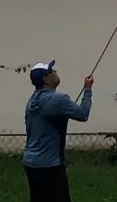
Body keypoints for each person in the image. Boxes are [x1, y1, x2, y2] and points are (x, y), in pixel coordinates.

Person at [23, 60, 92, 202]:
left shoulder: (31, 101)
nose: (56, 72)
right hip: (50, 165)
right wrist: (87, 89)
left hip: (30, 162)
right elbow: (83, 114)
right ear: (46, 80)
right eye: (51, 71)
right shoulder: (58, 99)